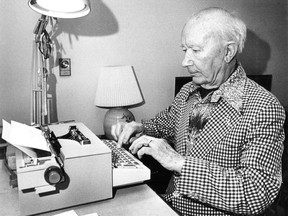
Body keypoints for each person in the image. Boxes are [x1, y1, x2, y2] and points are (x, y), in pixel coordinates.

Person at [111, 7, 285, 216]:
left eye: (196, 50)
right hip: (169, 205)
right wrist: (140, 126)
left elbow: (256, 193)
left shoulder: (264, 107)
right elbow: (167, 122)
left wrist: (179, 163)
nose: (185, 61)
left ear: (228, 52)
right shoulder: (188, 91)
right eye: (185, 50)